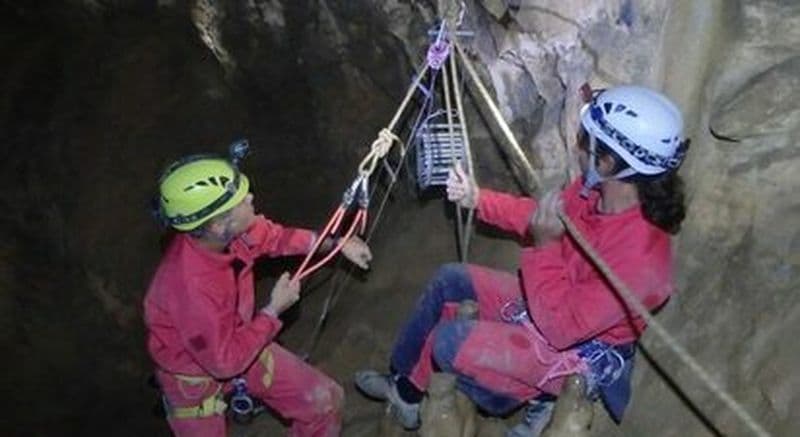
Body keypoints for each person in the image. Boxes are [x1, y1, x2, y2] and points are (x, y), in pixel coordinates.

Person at [355, 85, 689, 434]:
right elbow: (541, 216)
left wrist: (545, 247)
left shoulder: (642, 261)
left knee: (450, 342)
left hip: (576, 347)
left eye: (584, 141)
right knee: (450, 280)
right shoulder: (594, 194)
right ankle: (406, 393)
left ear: (607, 163)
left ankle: (527, 397)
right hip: (555, 296)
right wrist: (477, 199)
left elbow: (560, 329)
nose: (577, 147)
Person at [144, 144, 372, 437]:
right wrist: (273, 311)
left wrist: (337, 244)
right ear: (217, 225)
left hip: (239, 340)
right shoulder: (190, 288)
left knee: (326, 402)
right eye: (240, 200)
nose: (250, 197)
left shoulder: (228, 235)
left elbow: (276, 238)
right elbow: (224, 362)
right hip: (195, 380)